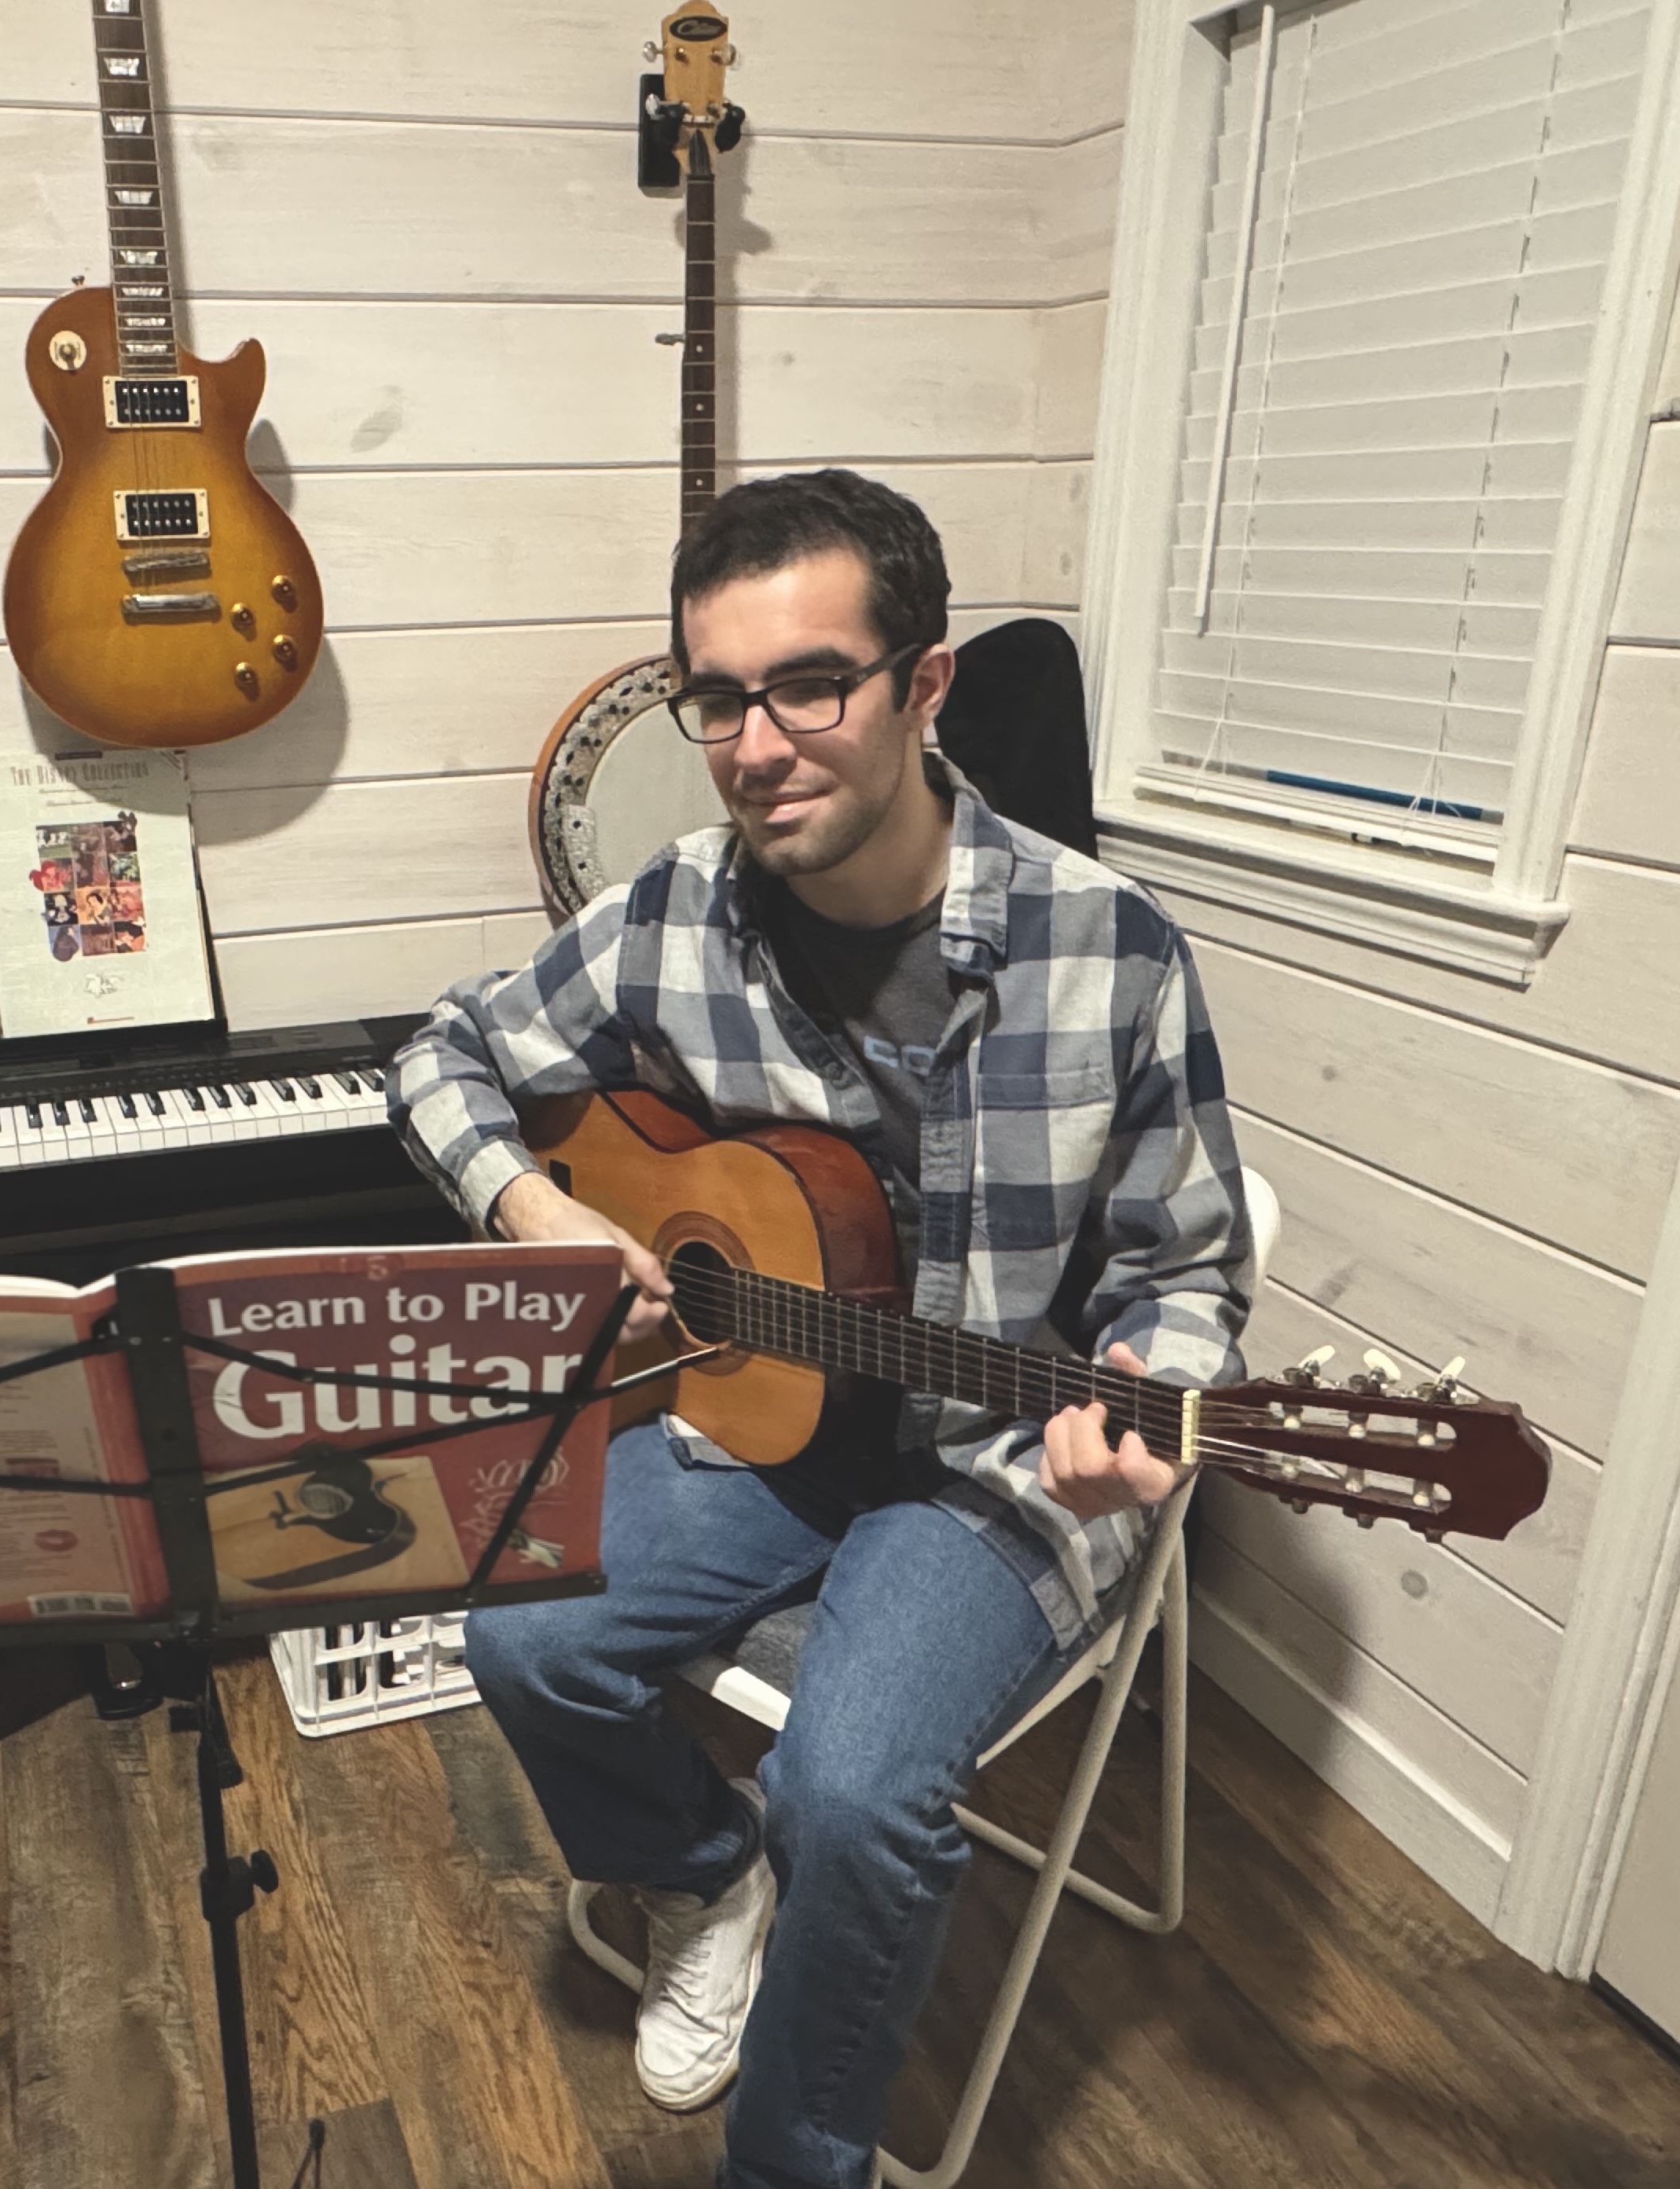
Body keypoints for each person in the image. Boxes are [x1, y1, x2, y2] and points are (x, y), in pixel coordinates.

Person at [389, 470, 1251, 2187]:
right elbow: (441, 1054)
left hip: (992, 1457)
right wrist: (533, 1206)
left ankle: (792, 2160)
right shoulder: (671, 916)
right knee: (516, 1633)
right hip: (753, 1419)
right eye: (717, 698)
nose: (756, 744)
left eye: (809, 685)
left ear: (922, 685)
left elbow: (1187, 1274)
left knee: (849, 1792)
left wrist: (1144, 1396)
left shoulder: (1107, 952)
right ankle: (701, 1872)